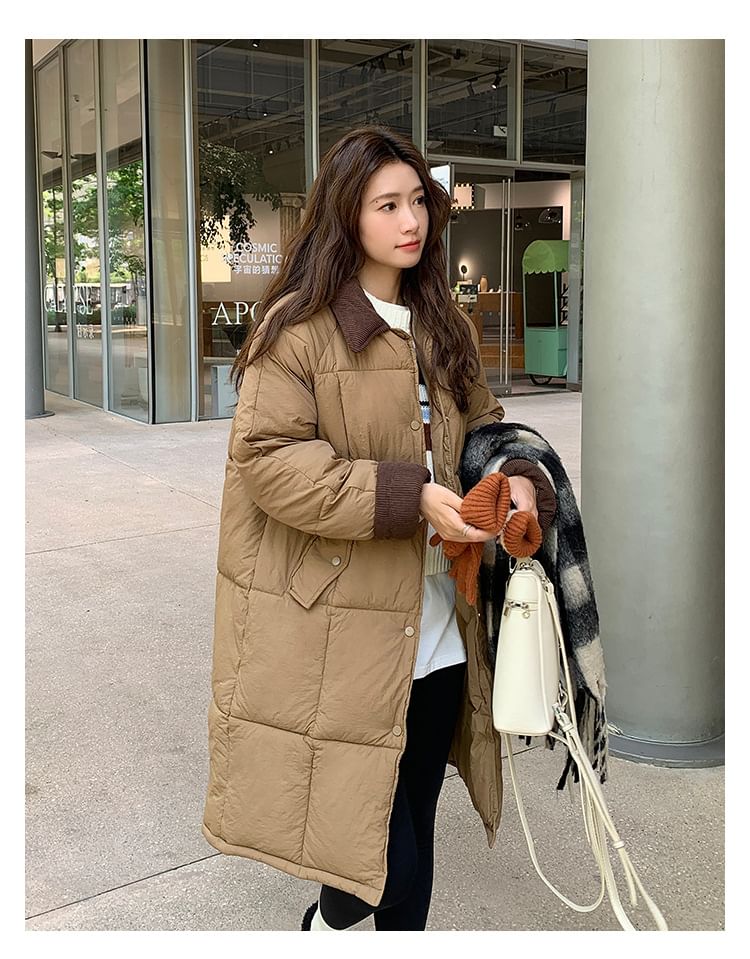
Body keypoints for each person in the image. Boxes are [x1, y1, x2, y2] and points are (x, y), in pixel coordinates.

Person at [201, 126, 556, 931]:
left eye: (417, 201)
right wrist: (410, 495)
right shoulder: (297, 329)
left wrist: (518, 477)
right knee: (375, 854)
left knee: (414, 822)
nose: (411, 220)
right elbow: (269, 460)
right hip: (343, 623)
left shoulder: (443, 323)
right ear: (347, 215)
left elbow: (487, 425)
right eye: (386, 204)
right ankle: (325, 930)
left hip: (438, 619)